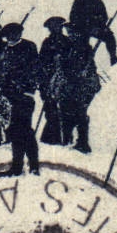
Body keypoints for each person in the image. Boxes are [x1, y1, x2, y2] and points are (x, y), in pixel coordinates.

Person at [0, 22, 41, 176]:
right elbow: (0, 70)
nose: (12, 36)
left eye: (16, 33)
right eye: (9, 34)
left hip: (24, 95)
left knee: (25, 130)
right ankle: (18, 166)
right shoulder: (4, 50)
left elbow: (34, 69)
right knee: (15, 131)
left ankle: (32, 166)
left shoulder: (28, 47)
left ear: (20, 33)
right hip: (8, 97)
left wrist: (24, 86)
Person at [58, 22, 101, 154]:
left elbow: (89, 69)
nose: (70, 35)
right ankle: (67, 140)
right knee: (65, 111)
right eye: (68, 33)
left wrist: (82, 74)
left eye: (72, 33)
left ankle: (83, 143)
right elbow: (63, 66)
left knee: (80, 113)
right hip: (69, 85)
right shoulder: (67, 47)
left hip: (83, 86)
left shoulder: (84, 48)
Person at [70, 0, 117, 66]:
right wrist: (83, 19)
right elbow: (72, 18)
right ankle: (84, 63)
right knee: (82, 45)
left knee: (109, 36)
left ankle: (113, 57)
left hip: (96, 28)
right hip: (82, 29)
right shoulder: (78, 2)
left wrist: (97, 20)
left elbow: (104, 17)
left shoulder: (98, 2)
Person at [37, 16, 69, 144]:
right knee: (50, 109)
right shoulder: (47, 43)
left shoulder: (67, 42)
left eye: (58, 26)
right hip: (48, 80)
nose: (55, 28)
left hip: (64, 80)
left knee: (66, 109)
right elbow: (41, 61)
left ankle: (65, 138)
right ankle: (50, 138)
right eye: (52, 27)